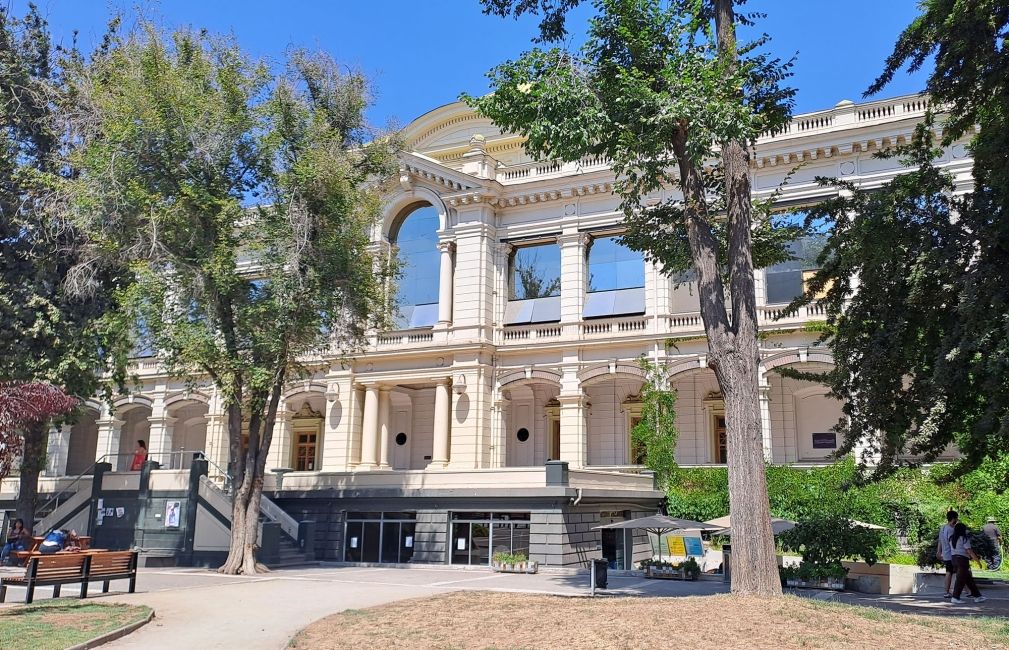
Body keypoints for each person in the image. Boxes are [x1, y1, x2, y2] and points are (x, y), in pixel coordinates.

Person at [950, 522, 986, 604]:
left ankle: (977, 596)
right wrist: (978, 561)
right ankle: (955, 597)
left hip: (954, 559)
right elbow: (969, 551)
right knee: (960, 580)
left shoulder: (951, 538)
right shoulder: (964, 538)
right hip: (962, 560)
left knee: (968, 579)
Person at [937, 509, 958, 599]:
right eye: (956, 518)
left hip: (945, 553)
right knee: (956, 572)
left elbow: (940, 540)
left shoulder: (943, 528)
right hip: (952, 554)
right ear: (953, 519)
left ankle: (947, 591)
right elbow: (952, 542)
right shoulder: (951, 530)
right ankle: (950, 591)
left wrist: (939, 551)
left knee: (949, 571)